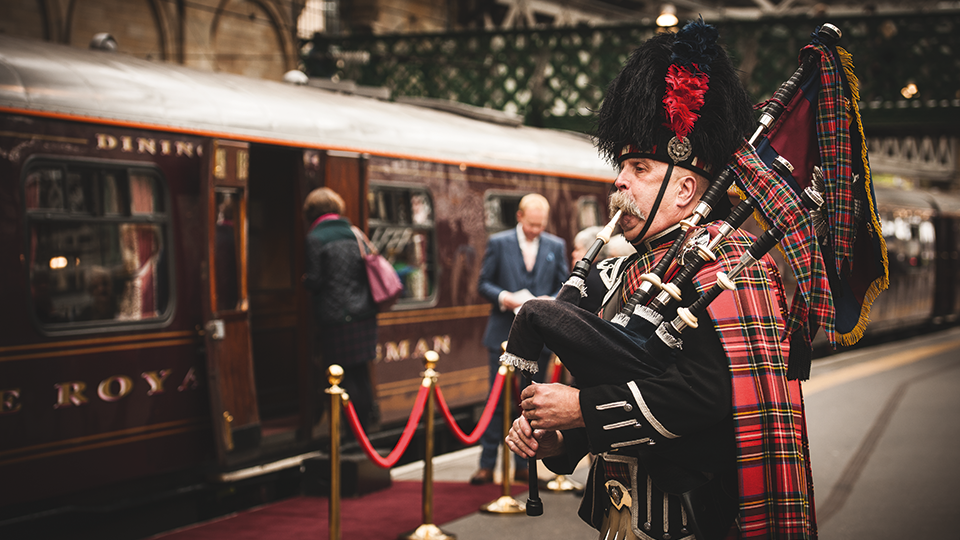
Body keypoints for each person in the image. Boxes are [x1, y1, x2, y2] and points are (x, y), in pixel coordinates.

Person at [505, 20, 817, 540]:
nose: (620, 182)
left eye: (641, 168)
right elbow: (614, 386)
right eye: (621, 166)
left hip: (691, 521)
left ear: (686, 188)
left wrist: (579, 408)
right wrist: (561, 439)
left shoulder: (729, 261)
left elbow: (706, 395)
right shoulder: (629, 268)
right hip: (619, 515)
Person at [472, 193, 569, 485]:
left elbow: (565, 286)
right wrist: (507, 298)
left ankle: (524, 466)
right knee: (496, 399)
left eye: (541, 226)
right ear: (519, 217)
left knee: (532, 404)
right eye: (531, 225)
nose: (536, 230)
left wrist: (548, 301)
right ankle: (487, 464)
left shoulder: (556, 245)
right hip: (502, 333)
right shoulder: (499, 243)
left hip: (539, 337)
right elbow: (483, 283)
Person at [303, 187, 380, 430]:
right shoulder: (354, 232)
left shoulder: (315, 238)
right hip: (364, 314)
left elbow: (315, 280)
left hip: (336, 317)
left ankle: (349, 431)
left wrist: (304, 279)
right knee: (361, 375)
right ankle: (366, 426)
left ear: (311, 212)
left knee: (342, 377)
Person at [571, 226, 635, 314]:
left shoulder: (586, 279)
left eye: (578, 249)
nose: (573, 254)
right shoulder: (615, 270)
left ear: (592, 251)